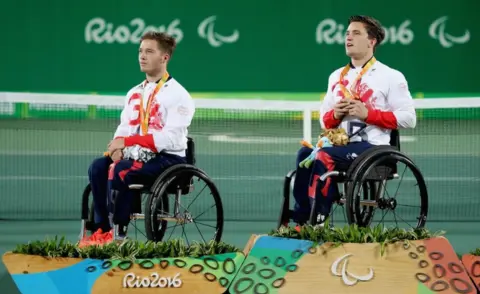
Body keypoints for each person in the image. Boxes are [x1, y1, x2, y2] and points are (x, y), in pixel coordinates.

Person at [292, 15, 416, 229]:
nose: (348, 37)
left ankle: (319, 221)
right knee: (304, 155)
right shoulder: (336, 76)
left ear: (372, 41)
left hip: (374, 149)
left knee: (323, 156)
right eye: (347, 33)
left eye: (356, 33)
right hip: (342, 145)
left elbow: (408, 119)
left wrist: (368, 114)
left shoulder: (391, 76)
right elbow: (324, 119)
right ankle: (302, 219)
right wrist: (336, 114)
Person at [79, 31, 195, 246]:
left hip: (168, 160)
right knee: (98, 167)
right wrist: (115, 149)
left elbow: (168, 139)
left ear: (164, 57)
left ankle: (118, 235)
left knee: (122, 170)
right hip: (135, 156)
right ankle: (102, 231)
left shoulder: (179, 95)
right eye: (140, 51)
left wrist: (128, 144)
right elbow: (124, 128)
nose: (142, 56)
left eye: (149, 51)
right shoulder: (134, 92)